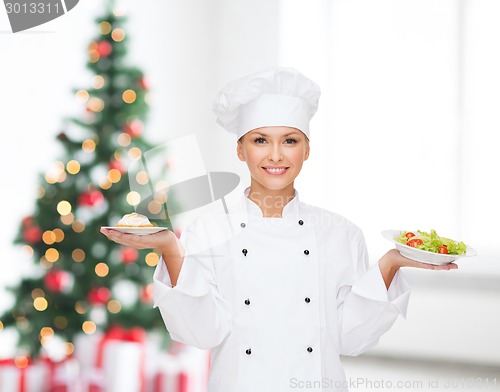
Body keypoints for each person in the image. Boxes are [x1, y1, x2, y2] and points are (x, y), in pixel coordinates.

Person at [100, 67, 457, 392]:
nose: (275, 155)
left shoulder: (342, 234)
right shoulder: (207, 230)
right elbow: (201, 332)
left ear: (307, 149)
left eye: (290, 140)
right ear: (240, 150)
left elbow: (350, 339)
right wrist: (170, 250)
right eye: (259, 140)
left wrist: (389, 265)